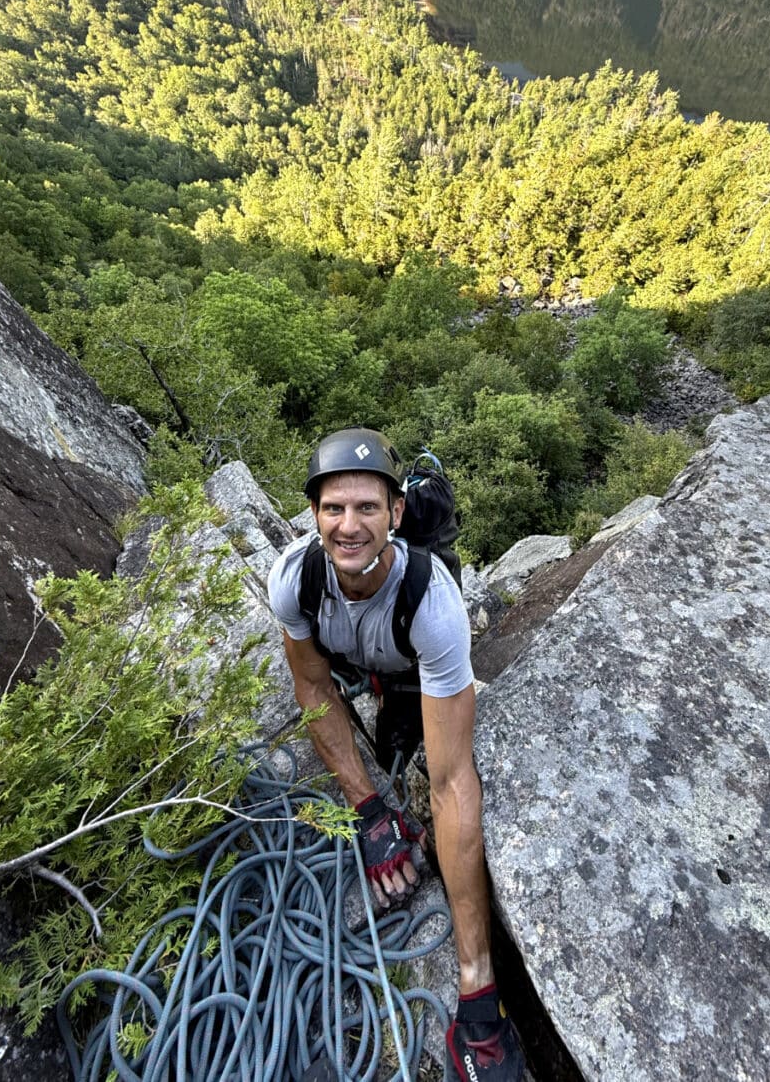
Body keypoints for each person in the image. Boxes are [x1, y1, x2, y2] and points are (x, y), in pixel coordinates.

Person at [267, 428, 524, 1082]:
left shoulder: (431, 601)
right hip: (360, 660)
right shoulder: (293, 581)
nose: (349, 525)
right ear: (313, 515)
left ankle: (479, 982)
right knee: (390, 783)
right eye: (333, 509)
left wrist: (477, 989)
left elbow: (453, 780)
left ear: (396, 514)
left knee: (422, 784)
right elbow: (311, 684)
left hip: (411, 667)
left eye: (368, 508)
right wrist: (369, 810)